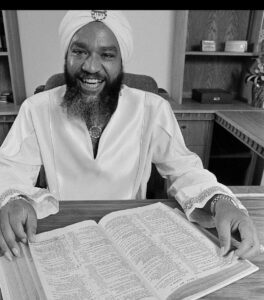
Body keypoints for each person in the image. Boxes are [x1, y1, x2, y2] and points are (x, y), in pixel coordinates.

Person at [0, 10, 262, 262]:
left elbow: (184, 170)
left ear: (121, 61)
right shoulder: (36, 108)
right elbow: (9, 169)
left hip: (129, 235)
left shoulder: (152, 108)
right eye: (79, 51)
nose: (91, 66)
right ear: (66, 55)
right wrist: (12, 200)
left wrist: (221, 201)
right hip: (60, 234)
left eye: (107, 54)